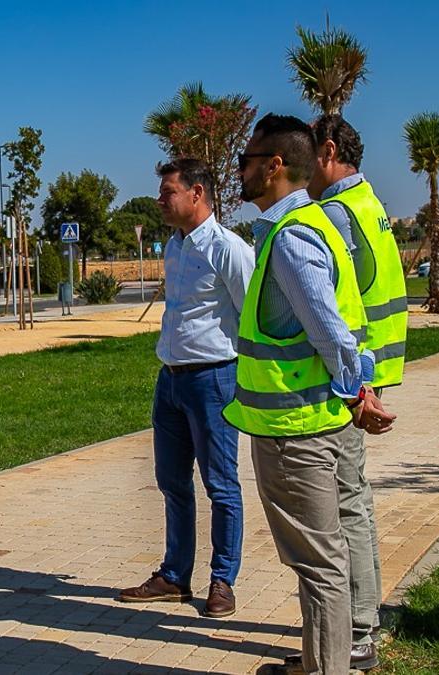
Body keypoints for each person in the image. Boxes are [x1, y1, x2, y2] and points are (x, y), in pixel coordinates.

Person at [224, 114, 396, 675]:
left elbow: (328, 329)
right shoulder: (315, 222)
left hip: (296, 432)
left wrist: (357, 393)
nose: (239, 170)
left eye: (246, 160)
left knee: (319, 564)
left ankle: (326, 667)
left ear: (274, 166)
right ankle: (321, 660)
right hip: (315, 421)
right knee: (325, 558)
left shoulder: (291, 237)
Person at [290, 114, 409, 672]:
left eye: (307, 153)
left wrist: (355, 385)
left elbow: (333, 309)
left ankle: (356, 632)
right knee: (353, 499)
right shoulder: (369, 203)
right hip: (367, 370)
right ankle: (360, 622)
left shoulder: (335, 213)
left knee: (344, 504)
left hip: (350, 378)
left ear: (329, 151)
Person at [117, 159, 253, 619]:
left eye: (168, 191)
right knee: (172, 482)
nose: (160, 200)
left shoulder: (228, 249)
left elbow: (251, 317)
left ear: (197, 193)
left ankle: (223, 580)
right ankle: (175, 576)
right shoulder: (175, 247)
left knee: (221, 484)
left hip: (213, 380)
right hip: (171, 381)